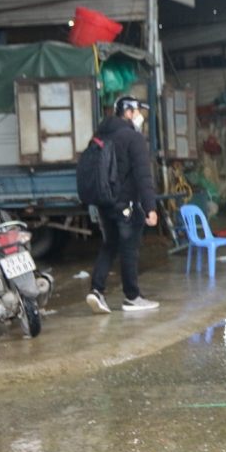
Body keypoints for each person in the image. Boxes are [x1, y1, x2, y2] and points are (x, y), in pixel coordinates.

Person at [85, 96, 159, 314]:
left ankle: (96, 290)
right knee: (129, 249)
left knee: (110, 245)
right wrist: (150, 208)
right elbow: (143, 175)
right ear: (128, 113)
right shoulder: (132, 138)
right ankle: (132, 297)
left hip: (104, 202)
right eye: (137, 111)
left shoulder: (100, 135)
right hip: (126, 203)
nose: (140, 115)